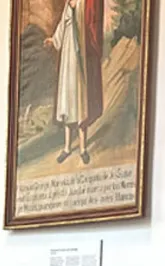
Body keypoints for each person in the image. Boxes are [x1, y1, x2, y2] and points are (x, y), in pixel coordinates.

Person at [45, 0, 105, 164]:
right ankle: (67, 148)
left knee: (80, 102)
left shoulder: (86, 3)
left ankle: (83, 148)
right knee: (67, 101)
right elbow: (63, 24)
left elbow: (91, 25)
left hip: (80, 56)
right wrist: (54, 40)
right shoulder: (68, 2)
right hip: (67, 55)